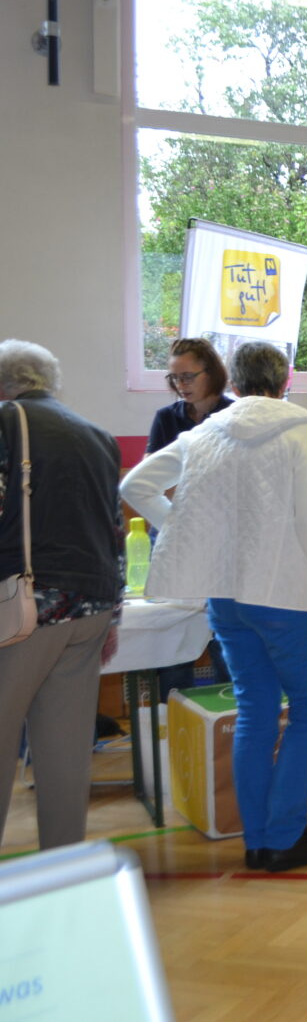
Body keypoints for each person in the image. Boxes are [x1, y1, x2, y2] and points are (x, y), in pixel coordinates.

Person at [121, 342, 307, 873]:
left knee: (255, 709)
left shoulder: (204, 433)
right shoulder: (300, 429)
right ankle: (285, 836)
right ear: (285, 379)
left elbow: (136, 484)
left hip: (225, 598)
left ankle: (258, 841)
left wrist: (180, 526)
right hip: (285, 595)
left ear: (235, 382)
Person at [0, 340, 123, 853]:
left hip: (22, 607)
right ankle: (64, 867)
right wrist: (113, 615)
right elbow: (114, 530)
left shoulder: (7, 422)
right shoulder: (97, 435)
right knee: (66, 750)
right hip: (90, 607)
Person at [146, 337, 235, 694]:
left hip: (221, 535)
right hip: (175, 529)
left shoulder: (233, 415)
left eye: (187, 376)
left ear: (211, 373)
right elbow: (154, 482)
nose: (180, 385)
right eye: (174, 378)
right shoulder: (167, 418)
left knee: (224, 633)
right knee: (173, 632)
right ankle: (173, 709)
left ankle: (229, 711)